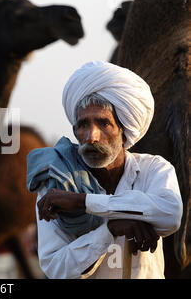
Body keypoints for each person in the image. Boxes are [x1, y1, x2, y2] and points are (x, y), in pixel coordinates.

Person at [26, 61, 183, 279]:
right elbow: (56, 268)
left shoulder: (153, 169)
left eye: (103, 123)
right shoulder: (57, 182)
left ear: (124, 130)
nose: (91, 136)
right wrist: (110, 230)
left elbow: (170, 214)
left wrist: (83, 202)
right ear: (74, 130)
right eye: (83, 125)